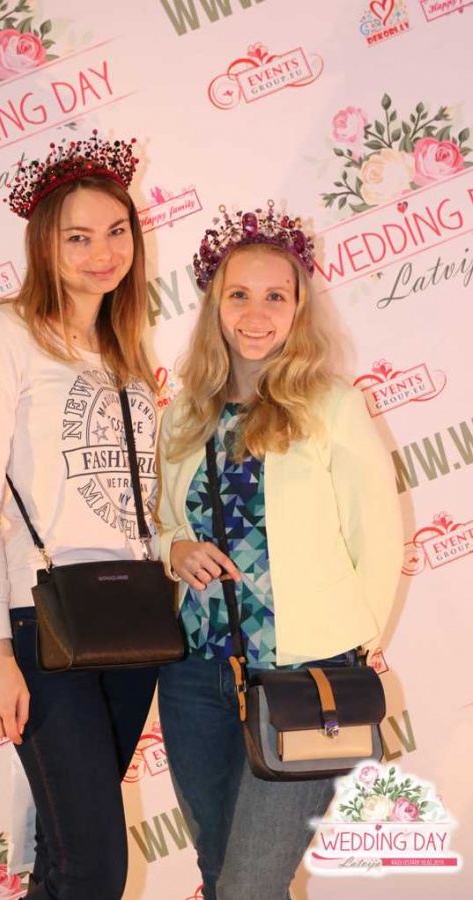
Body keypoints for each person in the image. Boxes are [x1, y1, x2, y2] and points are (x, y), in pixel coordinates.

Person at [156, 202, 403, 899]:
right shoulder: (183, 412)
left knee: (250, 886)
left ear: (299, 308)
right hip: (194, 676)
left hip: (301, 678)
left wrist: (351, 646)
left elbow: (378, 535)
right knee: (219, 874)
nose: (256, 314)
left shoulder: (331, 405)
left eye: (275, 296)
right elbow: (160, 521)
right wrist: (173, 548)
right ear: (215, 306)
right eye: (239, 295)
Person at [0, 133, 159, 899]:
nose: (102, 253)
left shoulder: (122, 348)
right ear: (45, 244)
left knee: (67, 857)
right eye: (78, 237)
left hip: (131, 619)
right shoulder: (5, 334)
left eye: (116, 232)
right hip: (40, 621)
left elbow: (137, 500)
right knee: (94, 868)